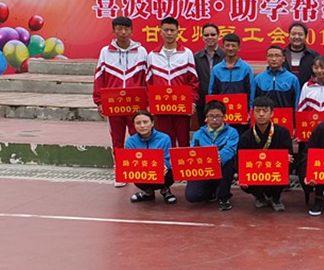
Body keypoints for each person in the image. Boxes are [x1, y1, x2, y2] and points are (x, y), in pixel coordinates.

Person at [92, 15, 148, 187]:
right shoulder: (105, 52)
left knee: (138, 136)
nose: (123, 32)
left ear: (131, 31)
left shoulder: (141, 52)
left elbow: (146, 78)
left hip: (135, 105)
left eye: (126, 29)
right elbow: (99, 78)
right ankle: (121, 172)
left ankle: (139, 169)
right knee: (117, 140)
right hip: (114, 104)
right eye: (119, 29)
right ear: (114, 31)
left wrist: (146, 103)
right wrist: (99, 101)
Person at [146, 16, 199, 148]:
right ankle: (167, 162)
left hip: (181, 104)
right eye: (166, 30)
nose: (169, 33)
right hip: (161, 106)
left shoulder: (186, 53)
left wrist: (192, 101)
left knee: (183, 140)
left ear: (177, 32)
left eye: (172, 30)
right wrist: (149, 103)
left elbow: (193, 81)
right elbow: (148, 83)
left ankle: (183, 162)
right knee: (165, 140)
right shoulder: (152, 55)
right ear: (160, 32)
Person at [237, 96, 294, 212]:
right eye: (258, 111)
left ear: (272, 113)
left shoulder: (282, 132)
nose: (261, 114)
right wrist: (240, 175)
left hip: (275, 171)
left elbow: (289, 153)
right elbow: (239, 159)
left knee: (287, 166)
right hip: (256, 172)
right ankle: (259, 196)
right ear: (253, 113)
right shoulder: (245, 137)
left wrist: (287, 158)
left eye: (265, 111)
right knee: (243, 180)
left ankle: (276, 198)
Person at [185, 100, 238, 211]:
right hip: (203, 168)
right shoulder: (198, 134)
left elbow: (230, 150)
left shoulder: (232, 132)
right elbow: (192, 152)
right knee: (192, 196)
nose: (214, 119)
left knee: (229, 162)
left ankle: (224, 197)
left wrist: (216, 158)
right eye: (211, 116)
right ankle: (213, 191)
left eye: (218, 116)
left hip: (221, 165)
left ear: (224, 117)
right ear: (206, 117)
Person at [125, 110, 176, 204]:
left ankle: (165, 190)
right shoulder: (130, 141)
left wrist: (165, 165)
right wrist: (121, 167)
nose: (142, 126)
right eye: (138, 123)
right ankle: (148, 193)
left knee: (172, 170)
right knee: (133, 173)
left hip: (162, 172)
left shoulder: (164, 138)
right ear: (134, 125)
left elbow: (167, 157)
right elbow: (129, 161)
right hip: (142, 172)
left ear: (152, 123)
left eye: (145, 122)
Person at [208, 32, 255, 135]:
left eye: (233, 46)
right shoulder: (216, 69)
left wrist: (250, 111)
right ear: (223, 47)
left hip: (241, 115)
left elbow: (251, 92)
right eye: (227, 45)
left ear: (239, 48)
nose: (230, 48)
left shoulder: (246, 68)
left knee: (240, 141)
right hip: (221, 116)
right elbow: (212, 93)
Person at [193, 23, 225, 127]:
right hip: (202, 102)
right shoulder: (196, 57)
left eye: (213, 34)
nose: (210, 37)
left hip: (223, 101)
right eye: (206, 35)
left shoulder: (226, 56)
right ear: (202, 37)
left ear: (218, 36)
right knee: (204, 131)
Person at [254, 45, 301, 110]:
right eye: (270, 56)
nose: (274, 59)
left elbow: (297, 102)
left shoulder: (292, 79)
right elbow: (253, 102)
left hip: (285, 115)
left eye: (277, 56)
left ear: (283, 59)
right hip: (264, 115)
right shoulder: (258, 79)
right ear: (266, 58)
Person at [283, 21, 319, 85]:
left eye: (300, 34)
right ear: (289, 36)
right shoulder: (281, 55)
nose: (296, 37)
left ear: (305, 36)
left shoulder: (314, 56)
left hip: (308, 90)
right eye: (293, 34)